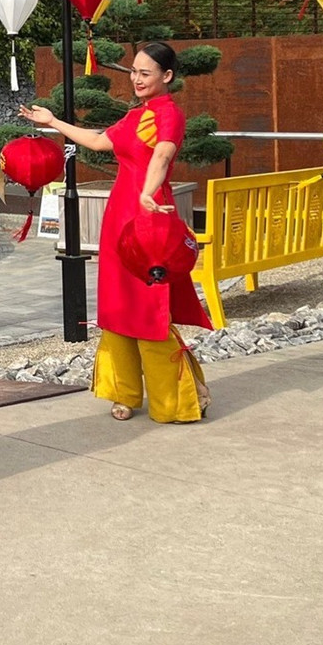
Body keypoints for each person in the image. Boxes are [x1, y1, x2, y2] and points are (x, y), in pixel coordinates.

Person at [19, 42, 212, 423]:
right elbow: (98, 140)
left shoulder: (169, 114)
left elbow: (162, 155)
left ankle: (181, 396)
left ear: (167, 76)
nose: (137, 79)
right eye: (134, 72)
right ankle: (123, 391)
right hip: (119, 217)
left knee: (148, 309)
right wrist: (54, 122)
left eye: (145, 73)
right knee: (118, 305)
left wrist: (147, 191)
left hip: (150, 217)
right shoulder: (135, 115)